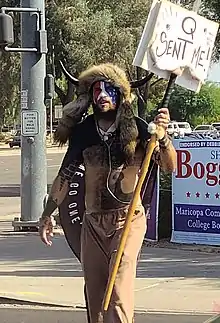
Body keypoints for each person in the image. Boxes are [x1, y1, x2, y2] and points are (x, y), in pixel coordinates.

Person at [39, 63, 176, 323]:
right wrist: (47, 214)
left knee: (118, 290)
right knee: (95, 293)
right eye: (96, 90)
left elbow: (169, 166)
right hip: (93, 224)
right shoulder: (84, 132)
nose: (101, 95)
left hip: (128, 220)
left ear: (121, 94)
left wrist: (164, 138)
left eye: (108, 89)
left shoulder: (139, 128)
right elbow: (65, 175)